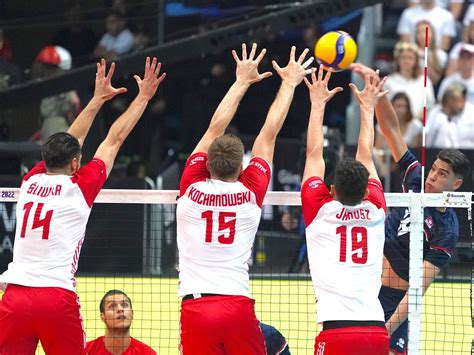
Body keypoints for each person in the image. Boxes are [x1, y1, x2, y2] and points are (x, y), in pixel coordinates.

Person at [0, 57, 165, 354]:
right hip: (55, 297)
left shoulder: (30, 181)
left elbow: (69, 140)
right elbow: (114, 140)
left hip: (14, 297)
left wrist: (96, 99)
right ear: (75, 163)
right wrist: (142, 97)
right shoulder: (79, 186)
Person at [177, 43, 310, 354]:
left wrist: (240, 81)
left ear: (206, 163)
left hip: (196, 306)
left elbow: (214, 128)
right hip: (237, 304)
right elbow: (269, 133)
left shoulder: (191, 187)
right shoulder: (250, 192)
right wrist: (289, 83)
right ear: (242, 166)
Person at [351, 63, 471, 354]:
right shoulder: (416, 178)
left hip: (396, 299)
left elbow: (418, 287)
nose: (433, 176)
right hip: (365, 286)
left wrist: (388, 327)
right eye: (435, 169)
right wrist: (378, 93)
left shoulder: (447, 230)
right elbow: (392, 130)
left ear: (455, 185)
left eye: (443, 175)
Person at [301, 66, 389, 354]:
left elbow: (314, 153)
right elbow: (366, 153)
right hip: (376, 330)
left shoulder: (320, 211)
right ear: (366, 191)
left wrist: (317, 103)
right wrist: (368, 108)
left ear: (332, 190)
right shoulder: (376, 210)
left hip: (336, 331)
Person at [86, 290, 156, 355]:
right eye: (112, 306)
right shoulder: (86, 351)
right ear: (102, 316)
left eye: (124, 305)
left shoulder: (147, 353)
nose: (120, 309)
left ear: (132, 314)